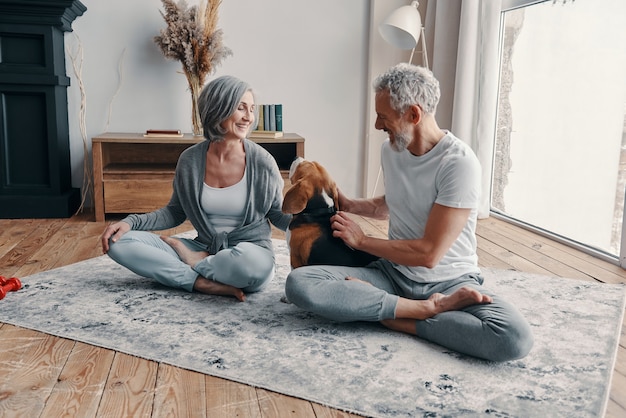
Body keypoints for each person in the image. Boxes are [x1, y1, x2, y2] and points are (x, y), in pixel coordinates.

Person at [285, 64, 533, 361]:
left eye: (383, 117)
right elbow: (390, 204)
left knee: (513, 338)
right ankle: (421, 310)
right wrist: (351, 205)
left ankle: (390, 315)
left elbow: (429, 254)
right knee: (300, 284)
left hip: (450, 282)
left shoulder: (459, 164)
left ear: (413, 115)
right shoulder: (392, 150)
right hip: (393, 274)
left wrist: (362, 242)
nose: (378, 125)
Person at [101, 75, 291, 302]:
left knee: (250, 267)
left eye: (251, 109)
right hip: (203, 246)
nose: (249, 117)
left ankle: (197, 264)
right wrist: (129, 222)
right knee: (117, 242)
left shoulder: (263, 162)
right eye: (241, 108)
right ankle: (200, 281)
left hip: (248, 252)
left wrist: (318, 217)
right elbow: (175, 212)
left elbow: (277, 215)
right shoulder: (190, 160)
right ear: (219, 108)